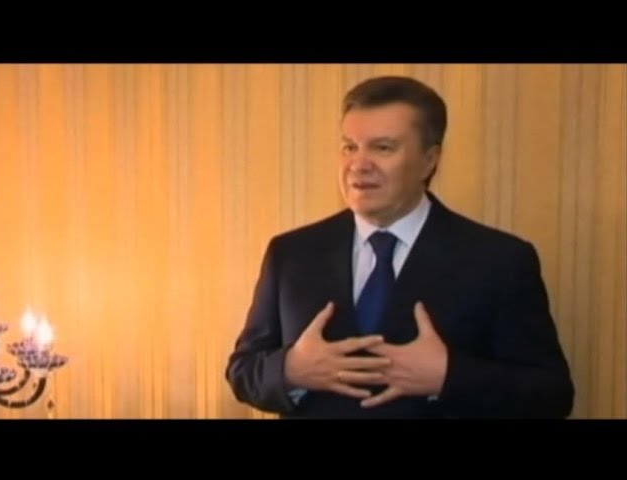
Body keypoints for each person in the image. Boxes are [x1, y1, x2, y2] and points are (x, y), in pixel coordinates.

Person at [225, 76, 575, 418]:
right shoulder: (292, 253)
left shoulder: (500, 261)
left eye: (383, 148)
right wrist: (290, 370)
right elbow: (243, 370)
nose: (358, 165)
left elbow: (551, 395)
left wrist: (449, 376)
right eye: (349, 147)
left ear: (429, 160)